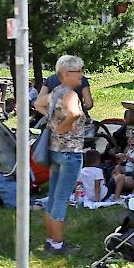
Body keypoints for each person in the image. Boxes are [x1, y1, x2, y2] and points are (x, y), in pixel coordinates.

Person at [33, 55, 86, 255]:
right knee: (62, 198)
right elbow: (75, 113)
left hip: (55, 152)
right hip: (70, 153)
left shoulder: (56, 92)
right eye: (78, 71)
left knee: (53, 196)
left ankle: (50, 239)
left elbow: (38, 103)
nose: (81, 75)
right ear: (66, 74)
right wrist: (62, 127)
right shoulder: (71, 94)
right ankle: (57, 245)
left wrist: (53, 122)